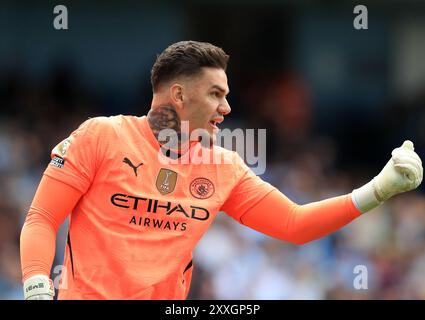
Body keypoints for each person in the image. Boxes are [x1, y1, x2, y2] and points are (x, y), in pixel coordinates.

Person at [20, 40, 423, 300]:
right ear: (178, 94)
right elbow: (42, 217)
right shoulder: (100, 136)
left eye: (226, 96)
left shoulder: (223, 166)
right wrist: (38, 286)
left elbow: (294, 224)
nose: (226, 109)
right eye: (216, 94)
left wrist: (379, 189)